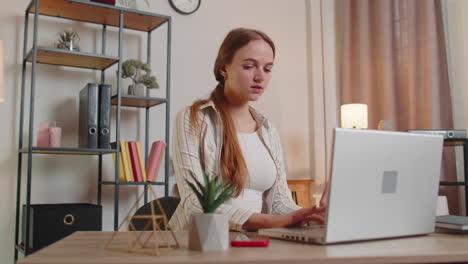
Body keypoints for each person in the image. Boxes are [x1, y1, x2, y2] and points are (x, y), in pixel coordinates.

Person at [169, 28, 326, 231]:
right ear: (224, 68)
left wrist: (311, 214)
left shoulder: (268, 129)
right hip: (202, 243)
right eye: (249, 66)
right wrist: (267, 221)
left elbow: (281, 204)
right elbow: (194, 203)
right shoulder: (192, 119)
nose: (260, 77)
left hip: (253, 243)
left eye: (267, 69)